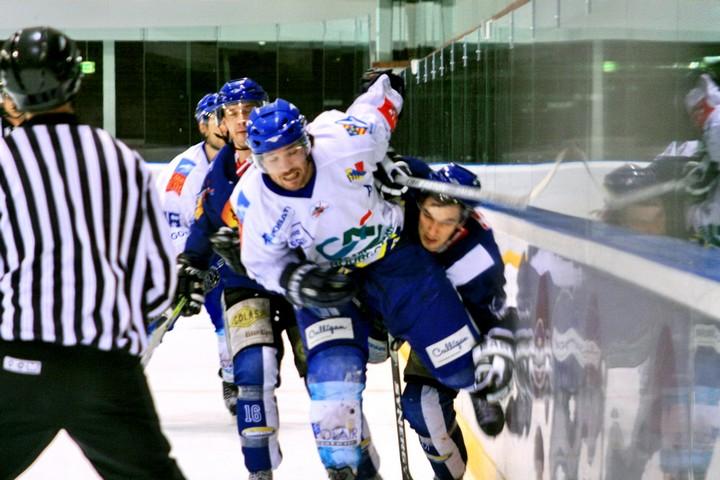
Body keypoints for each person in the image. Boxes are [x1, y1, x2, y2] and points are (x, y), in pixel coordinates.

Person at [232, 76, 513, 479]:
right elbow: (260, 262)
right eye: (273, 158)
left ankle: (476, 383)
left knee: (455, 358)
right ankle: (349, 470)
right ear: (258, 160)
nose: (287, 166)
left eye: (292, 151)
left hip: (393, 260)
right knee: (333, 395)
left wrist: (389, 85)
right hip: (326, 284)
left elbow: (377, 110)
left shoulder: (344, 141)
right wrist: (296, 280)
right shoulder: (253, 200)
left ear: (307, 142)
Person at [0, 26, 184, 480]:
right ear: (74, 81)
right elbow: (157, 280)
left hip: (17, 362)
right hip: (105, 366)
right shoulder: (122, 160)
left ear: (11, 92)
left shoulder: (4, 161)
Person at [176, 78, 308, 480]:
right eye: (231, 113)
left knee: (328, 375)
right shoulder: (218, 172)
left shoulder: (295, 153)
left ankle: (348, 463)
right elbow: (204, 223)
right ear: (220, 121)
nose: (240, 120)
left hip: (301, 280)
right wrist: (190, 264)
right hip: (244, 282)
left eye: (248, 110)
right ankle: (259, 470)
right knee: (251, 374)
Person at [388, 159, 514, 480]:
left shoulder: (476, 257)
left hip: (454, 321)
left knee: (422, 404)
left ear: (463, 222)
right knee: (423, 409)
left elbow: (491, 315)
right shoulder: (410, 201)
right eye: (428, 216)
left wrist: (489, 358)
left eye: (445, 223)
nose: (432, 230)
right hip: (415, 302)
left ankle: (476, 384)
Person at [154, 91, 238, 415]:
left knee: (231, 314)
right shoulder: (185, 171)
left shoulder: (247, 158)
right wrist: (189, 268)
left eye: (224, 116)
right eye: (214, 118)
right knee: (159, 312)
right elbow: (173, 226)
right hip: (183, 254)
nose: (221, 124)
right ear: (203, 126)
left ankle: (234, 377)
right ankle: (126, 366)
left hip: (227, 253)